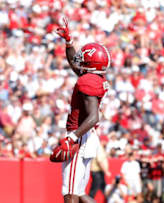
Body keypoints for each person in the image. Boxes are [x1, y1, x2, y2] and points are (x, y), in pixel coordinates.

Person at [50, 17, 111, 203]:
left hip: (81, 135)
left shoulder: (88, 81)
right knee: (79, 192)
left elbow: (94, 116)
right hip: (87, 135)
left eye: (85, 57)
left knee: (70, 193)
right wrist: (69, 43)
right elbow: (74, 63)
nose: (80, 58)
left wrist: (72, 137)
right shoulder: (93, 77)